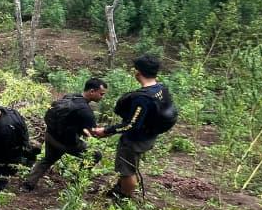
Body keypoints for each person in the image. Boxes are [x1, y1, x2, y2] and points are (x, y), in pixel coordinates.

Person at [94, 54, 177, 202]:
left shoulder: (142, 98)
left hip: (136, 140)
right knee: (130, 165)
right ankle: (119, 189)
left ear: (138, 72)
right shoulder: (161, 88)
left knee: (127, 171)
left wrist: (106, 131)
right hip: (149, 135)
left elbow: (130, 125)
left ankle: (123, 199)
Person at [21, 78, 108, 191]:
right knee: (96, 155)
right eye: (101, 94)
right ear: (92, 91)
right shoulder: (85, 110)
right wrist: (110, 131)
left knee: (47, 159)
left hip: (51, 135)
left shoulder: (70, 96)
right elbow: (94, 133)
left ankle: (28, 185)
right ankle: (76, 183)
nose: (102, 97)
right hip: (66, 143)